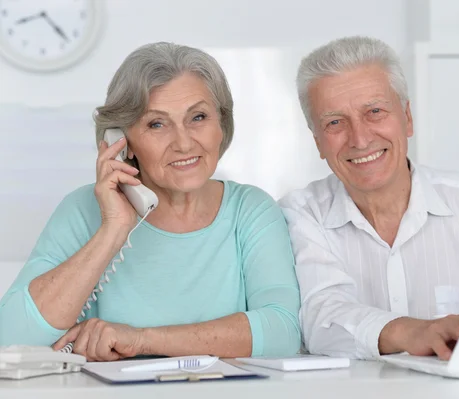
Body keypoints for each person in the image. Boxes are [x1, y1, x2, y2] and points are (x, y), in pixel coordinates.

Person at [0, 42, 301, 361]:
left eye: (198, 117)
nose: (184, 143)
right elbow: (11, 339)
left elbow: (282, 332)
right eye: (156, 124)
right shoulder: (81, 210)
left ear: (221, 124)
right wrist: (113, 230)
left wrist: (141, 340)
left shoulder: (251, 210)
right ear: (122, 141)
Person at [278, 36, 459, 360]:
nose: (360, 139)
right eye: (335, 122)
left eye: (375, 111)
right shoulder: (298, 216)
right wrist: (414, 332)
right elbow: (321, 319)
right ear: (318, 142)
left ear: (407, 118)